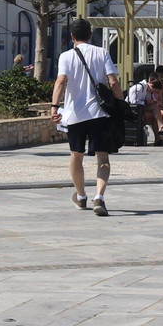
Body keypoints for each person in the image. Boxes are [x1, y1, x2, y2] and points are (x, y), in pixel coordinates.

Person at [50, 18, 123, 216]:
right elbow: (113, 81)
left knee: (76, 155)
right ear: (90, 35)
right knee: (103, 157)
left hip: (75, 115)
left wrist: (54, 107)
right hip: (99, 114)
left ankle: (81, 196)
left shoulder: (66, 56)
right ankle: (99, 197)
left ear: (72, 37)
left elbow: (61, 81)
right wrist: (121, 104)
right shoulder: (102, 53)